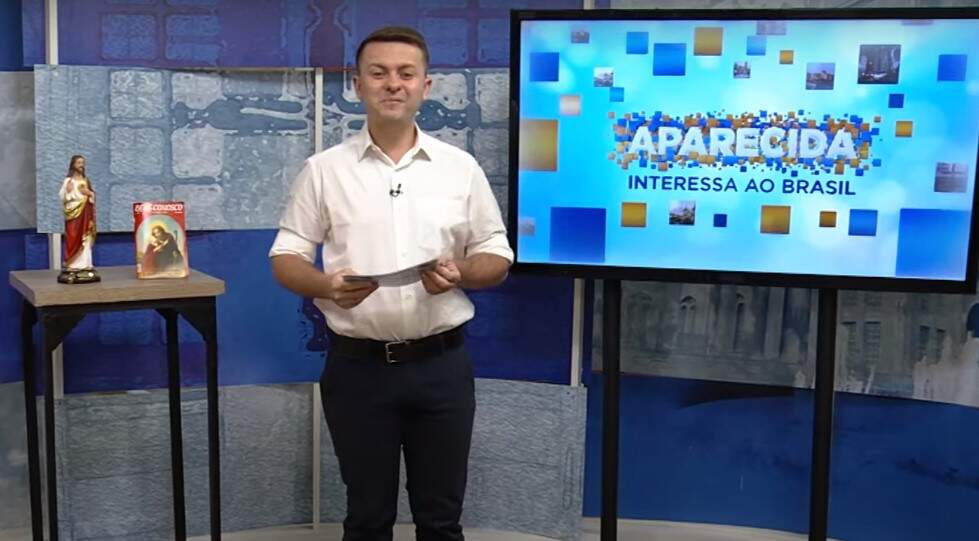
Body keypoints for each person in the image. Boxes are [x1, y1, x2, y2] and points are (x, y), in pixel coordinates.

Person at [268, 26, 513, 541]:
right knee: (367, 520)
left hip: (442, 366)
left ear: (426, 85)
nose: (393, 84)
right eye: (378, 73)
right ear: (358, 85)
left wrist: (461, 272)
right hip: (357, 370)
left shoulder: (460, 169)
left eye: (406, 73)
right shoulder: (323, 171)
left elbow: (496, 256)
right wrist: (325, 285)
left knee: (441, 521)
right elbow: (286, 257)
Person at [58, 154, 100, 284]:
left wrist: (89, 194)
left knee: (85, 237)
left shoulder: (86, 180)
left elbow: (92, 195)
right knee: (72, 236)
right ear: (73, 165)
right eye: (79, 163)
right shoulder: (68, 181)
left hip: (85, 214)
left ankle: (85, 265)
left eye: (82, 163)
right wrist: (68, 191)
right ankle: (72, 265)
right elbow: (62, 196)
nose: (81, 165)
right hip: (73, 214)